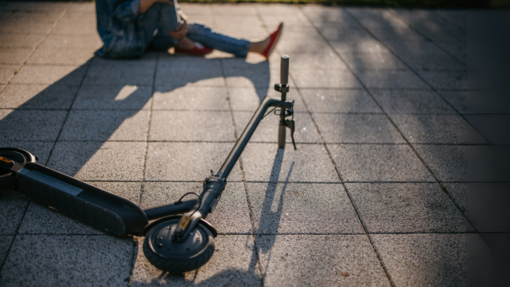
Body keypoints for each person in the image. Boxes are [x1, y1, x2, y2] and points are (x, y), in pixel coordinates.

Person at [94, 0, 282, 59]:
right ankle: (181, 41)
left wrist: (181, 19)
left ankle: (255, 47)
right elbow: (120, 15)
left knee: (194, 28)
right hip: (120, 43)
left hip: (141, 35)